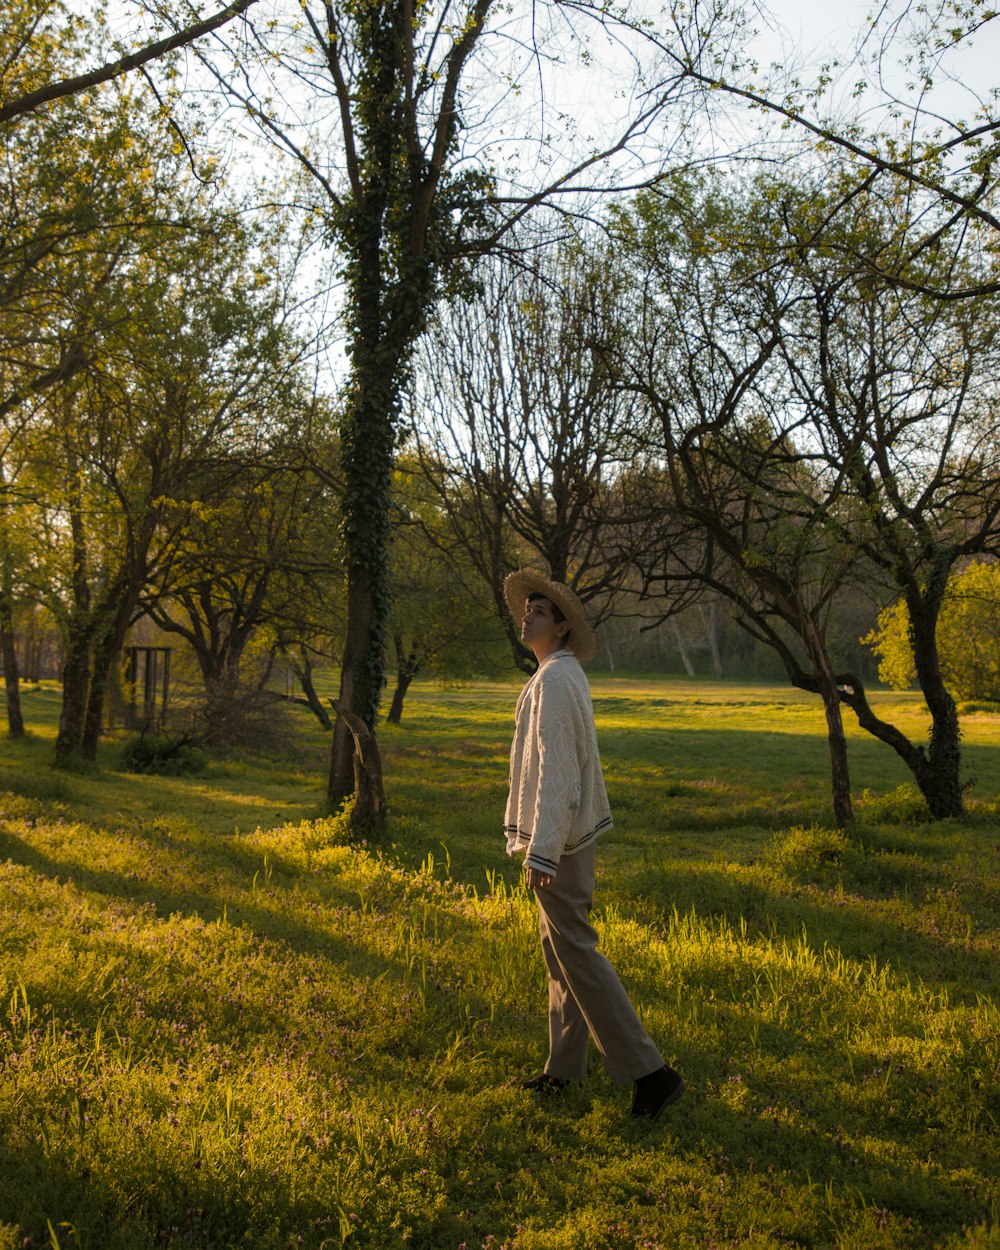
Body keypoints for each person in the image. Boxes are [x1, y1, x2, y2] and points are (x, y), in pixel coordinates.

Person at [502, 568, 685, 1120]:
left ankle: (652, 1074)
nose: (527, 614)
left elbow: (560, 768)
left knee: (576, 953)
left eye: (539, 610)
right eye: (526, 607)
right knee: (560, 954)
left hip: (561, 842)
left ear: (560, 627)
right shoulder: (557, 673)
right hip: (560, 837)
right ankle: (564, 1070)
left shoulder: (557, 679)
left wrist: (543, 850)